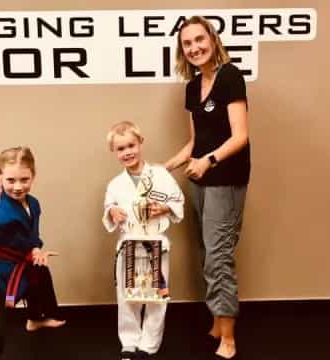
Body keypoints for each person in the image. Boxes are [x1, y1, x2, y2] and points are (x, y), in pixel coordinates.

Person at [165, 16, 250, 359]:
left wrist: (208, 162)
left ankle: (228, 338)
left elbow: (240, 136)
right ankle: (217, 321)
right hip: (199, 180)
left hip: (225, 181)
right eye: (187, 43)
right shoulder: (191, 86)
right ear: (182, 50)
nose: (195, 47)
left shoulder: (230, 76)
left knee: (219, 257)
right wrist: (164, 166)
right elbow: (195, 141)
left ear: (212, 40)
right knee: (206, 252)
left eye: (200, 39)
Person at [0, 146, 65, 360]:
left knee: (39, 271)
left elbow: (32, 236)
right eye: (10, 180)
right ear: (0, 178)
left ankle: (35, 318)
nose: (18, 187)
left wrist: (36, 249)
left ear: (33, 177)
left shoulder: (33, 203)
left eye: (24, 180)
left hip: (14, 269)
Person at [102, 121, 184, 360]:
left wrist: (166, 207)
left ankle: (148, 344)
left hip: (155, 242)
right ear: (114, 152)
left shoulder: (161, 175)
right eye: (120, 149)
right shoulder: (115, 184)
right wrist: (112, 212)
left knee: (157, 297)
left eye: (131, 145)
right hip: (129, 243)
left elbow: (178, 201)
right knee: (128, 296)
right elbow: (109, 208)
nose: (127, 152)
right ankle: (129, 341)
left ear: (140, 143)